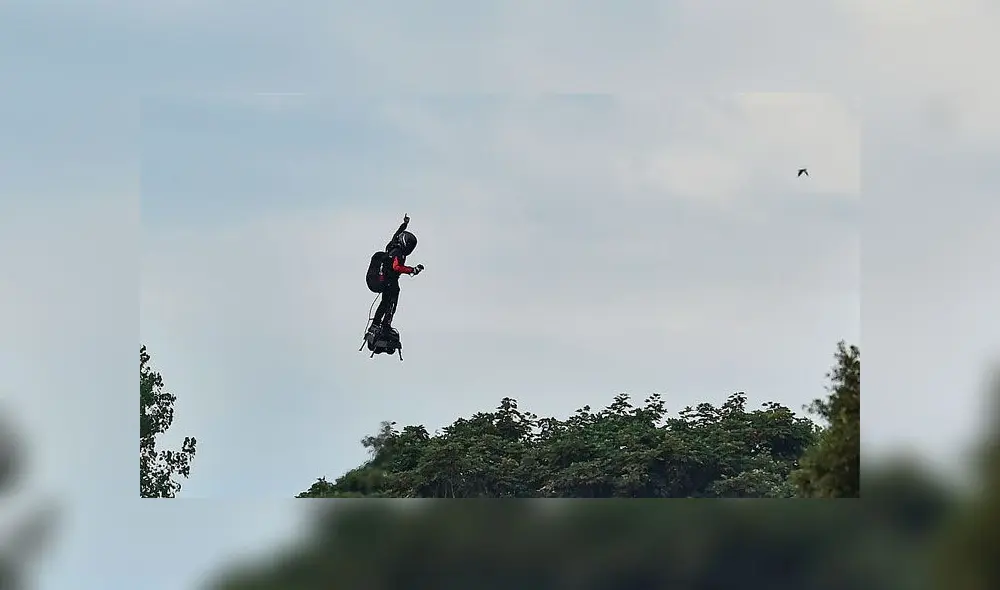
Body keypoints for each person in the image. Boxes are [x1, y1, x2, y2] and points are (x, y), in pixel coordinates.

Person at [370, 214, 423, 330]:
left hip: (385, 280)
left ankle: (375, 325)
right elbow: (396, 267)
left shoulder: (393, 245)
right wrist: (412, 270)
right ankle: (385, 325)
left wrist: (404, 224)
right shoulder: (398, 252)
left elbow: (396, 234)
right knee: (391, 303)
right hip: (390, 281)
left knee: (384, 303)